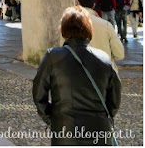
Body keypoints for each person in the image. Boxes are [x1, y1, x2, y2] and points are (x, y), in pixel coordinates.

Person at [32, 7, 121, 145]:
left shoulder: (52, 57)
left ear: (64, 29)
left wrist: (53, 119)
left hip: (65, 131)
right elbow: (115, 100)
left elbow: (38, 96)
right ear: (88, 29)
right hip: (100, 131)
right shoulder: (104, 59)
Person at [75, 0, 124, 69]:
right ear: (94, 5)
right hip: (104, 74)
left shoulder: (68, 26)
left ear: (78, 3)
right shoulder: (106, 25)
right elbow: (119, 54)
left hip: (79, 75)